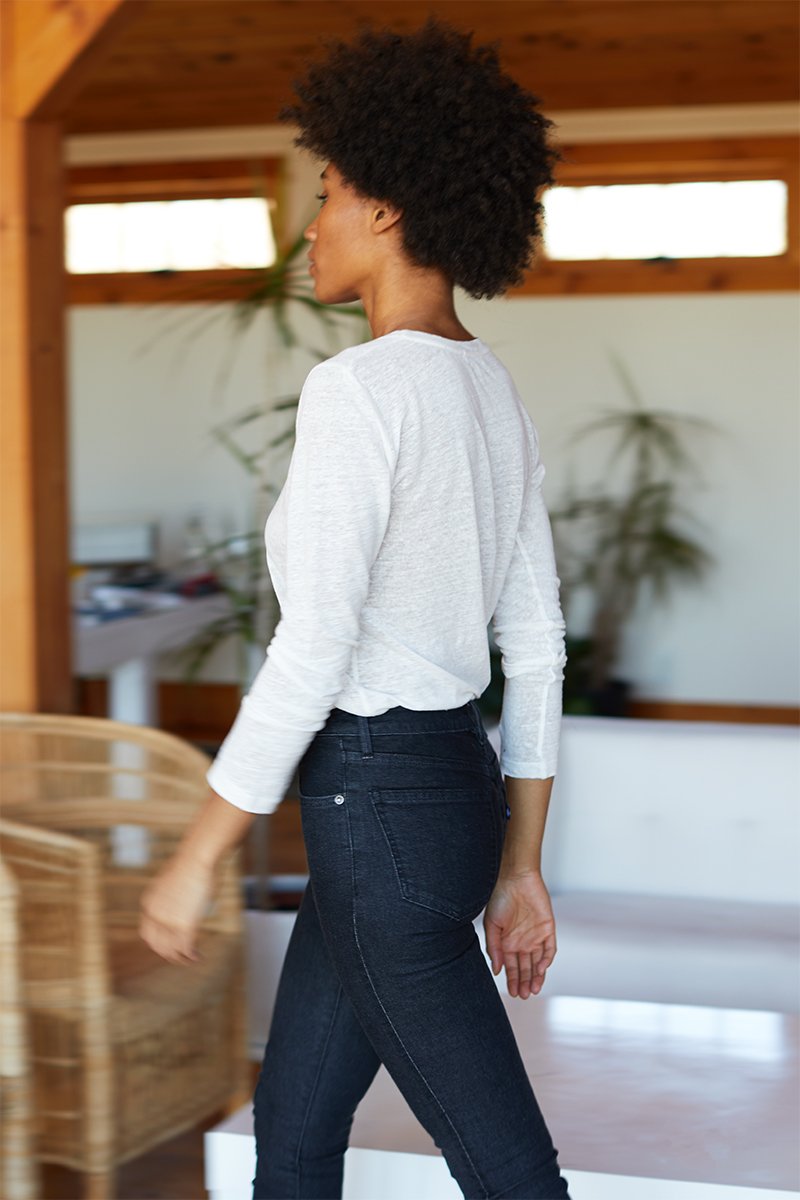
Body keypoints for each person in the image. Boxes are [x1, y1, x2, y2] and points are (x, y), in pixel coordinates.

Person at [139, 16, 571, 1200]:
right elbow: (532, 648)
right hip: (447, 800)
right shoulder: (489, 387)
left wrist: (196, 856)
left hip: (374, 812)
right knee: (294, 1138)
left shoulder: (357, 390)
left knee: (511, 1174)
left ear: (385, 206)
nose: (313, 222)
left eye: (326, 190)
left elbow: (313, 649)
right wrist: (520, 863)